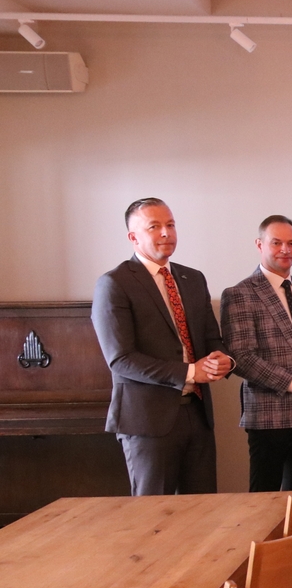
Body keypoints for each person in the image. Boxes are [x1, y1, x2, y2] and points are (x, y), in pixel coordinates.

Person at [92, 198, 233, 496]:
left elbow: (211, 339)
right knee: (153, 515)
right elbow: (121, 359)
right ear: (133, 237)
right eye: (154, 226)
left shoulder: (193, 278)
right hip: (147, 422)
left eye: (170, 224)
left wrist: (223, 360)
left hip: (198, 415)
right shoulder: (114, 283)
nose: (166, 232)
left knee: (203, 512)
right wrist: (190, 372)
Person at [221, 215, 292, 494]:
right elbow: (242, 358)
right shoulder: (240, 293)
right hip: (270, 415)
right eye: (276, 243)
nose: (285, 250)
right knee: (265, 500)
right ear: (259, 244)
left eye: (291, 243)